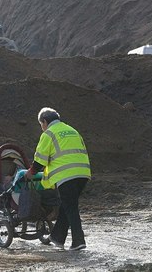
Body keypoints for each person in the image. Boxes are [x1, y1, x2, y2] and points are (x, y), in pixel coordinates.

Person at [25, 107, 91, 251]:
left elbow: (40, 160)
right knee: (67, 205)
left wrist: (31, 172)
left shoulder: (49, 133)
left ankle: (78, 241)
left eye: (41, 124)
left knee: (71, 207)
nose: (42, 128)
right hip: (83, 172)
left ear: (45, 121)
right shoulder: (72, 130)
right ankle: (57, 238)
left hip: (66, 174)